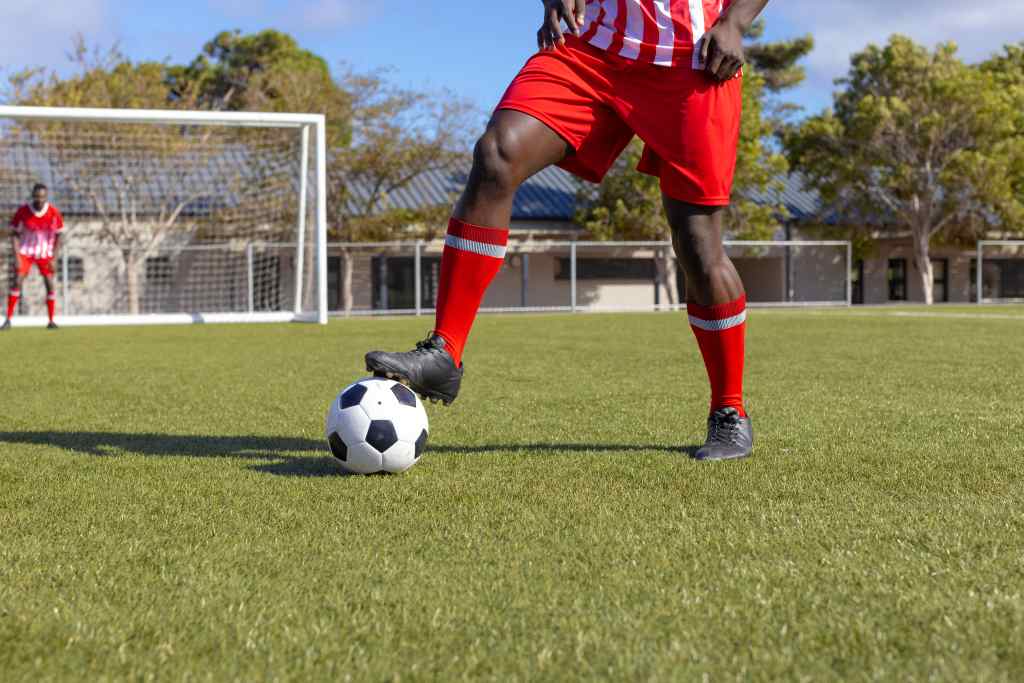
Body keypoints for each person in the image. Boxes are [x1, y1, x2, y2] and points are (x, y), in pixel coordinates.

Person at [366, 0, 769, 461]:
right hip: (591, 49)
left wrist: (735, 22)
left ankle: (730, 412)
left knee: (698, 247)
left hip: (692, 63)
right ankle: (445, 352)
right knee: (498, 154)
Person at [4, 183, 64, 330]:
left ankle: (51, 320)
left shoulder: (53, 212)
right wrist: (17, 256)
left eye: (42, 196)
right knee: (17, 281)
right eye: (37, 196)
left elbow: (59, 235)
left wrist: (55, 258)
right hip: (26, 251)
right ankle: (8, 319)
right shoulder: (23, 211)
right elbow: (14, 234)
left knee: (49, 283)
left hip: (45, 253)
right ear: (33, 196)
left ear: (46, 197)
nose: (39, 199)